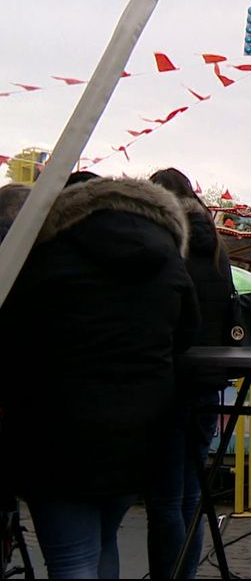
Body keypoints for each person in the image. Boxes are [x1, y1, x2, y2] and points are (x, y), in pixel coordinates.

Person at [0, 174, 198, 579]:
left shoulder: (45, 253)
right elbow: (187, 333)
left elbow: (13, 331)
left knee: (72, 557)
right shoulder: (166, 255)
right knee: (105, 540)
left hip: (57, 427)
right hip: (140, 429)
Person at [145, 167, 237, 579]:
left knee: (164, 499)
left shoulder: (164, 240)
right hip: (208, 381)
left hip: (168, 379)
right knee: (191, 494)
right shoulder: (216, 246)